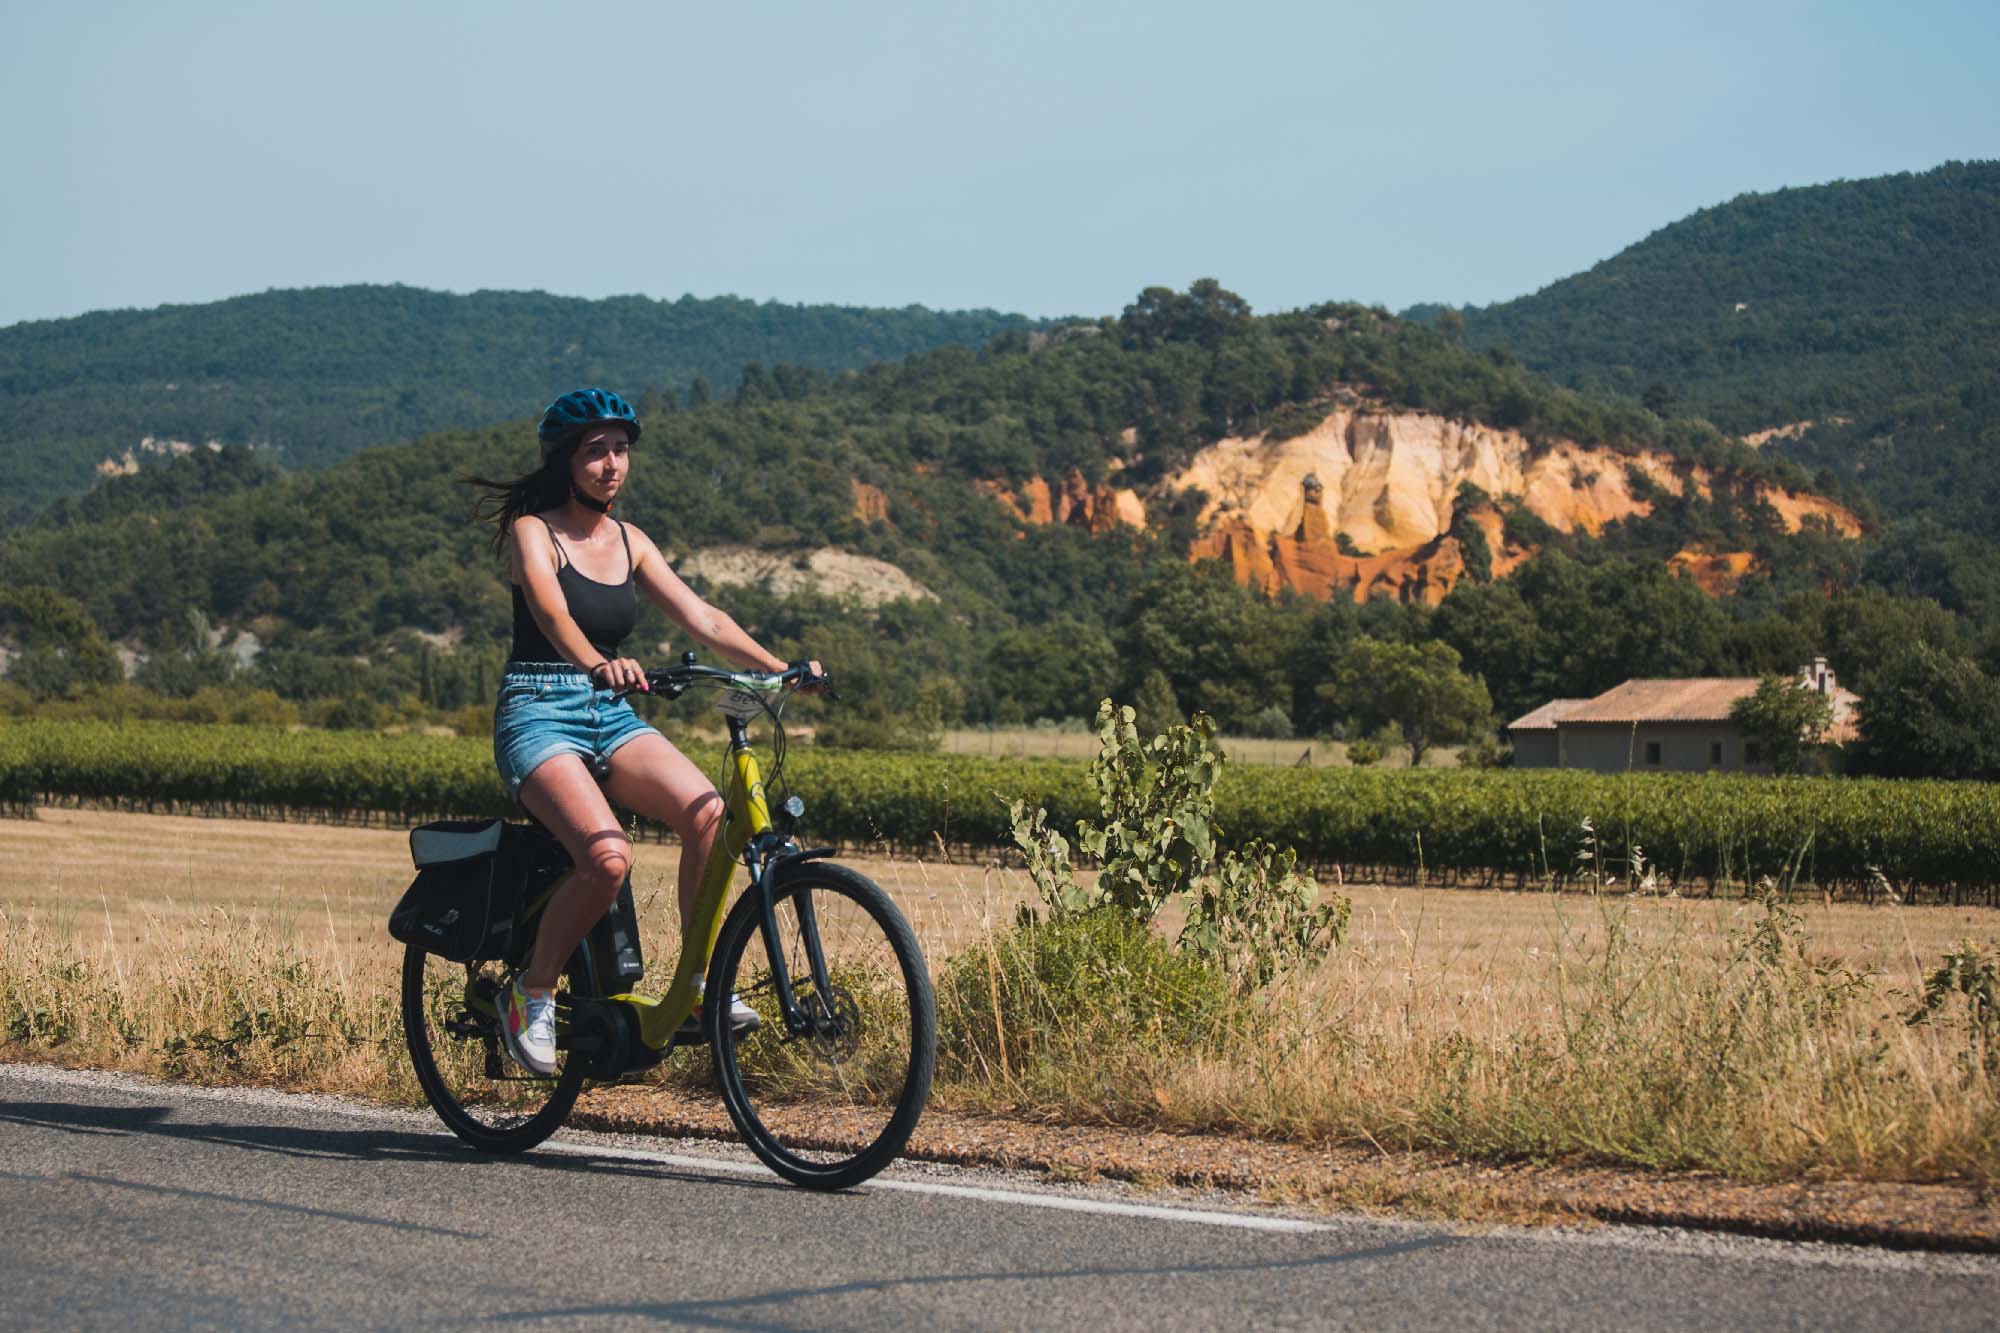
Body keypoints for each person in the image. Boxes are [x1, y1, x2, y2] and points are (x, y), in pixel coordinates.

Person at [468, 387, 818, 1076]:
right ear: (565, 460)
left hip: (609, 712)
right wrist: (597, 663)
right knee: (607, 859)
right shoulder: (534, 532)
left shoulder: (631, 541)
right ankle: (530, 993)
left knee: (710, 814)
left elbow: (704, 619)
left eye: (620, 451)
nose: (611, 465)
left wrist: (779, 669)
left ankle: (697, 986)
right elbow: (550, 612)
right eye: (595, 451)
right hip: (538, 708)